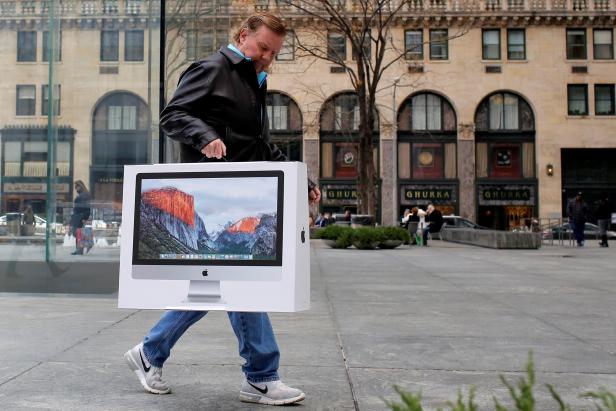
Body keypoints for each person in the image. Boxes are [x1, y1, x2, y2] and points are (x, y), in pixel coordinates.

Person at [124, 13, 320, 406]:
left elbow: (258, 146)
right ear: (243, 35)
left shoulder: (253, 82)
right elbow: (172, 115)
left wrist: (304, 183)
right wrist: (206, 136)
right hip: (214, 189)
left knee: (222, 288)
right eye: (264, 48)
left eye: (274, 53)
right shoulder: (211, 69)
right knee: (237, 285)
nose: (268, 58)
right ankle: (261, 376)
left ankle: (151, 353)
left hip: (242, 190)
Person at [69, 180, 91, 255]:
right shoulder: (84, 194)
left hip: (79, 217)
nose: (76, 189)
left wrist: (83, 217)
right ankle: (79, 249)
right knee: (78, 233)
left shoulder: (83, 195)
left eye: (76, 187)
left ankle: (80, 249)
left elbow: (83, 207)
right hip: (80, 216)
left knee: (78, 233)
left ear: (80, 186)